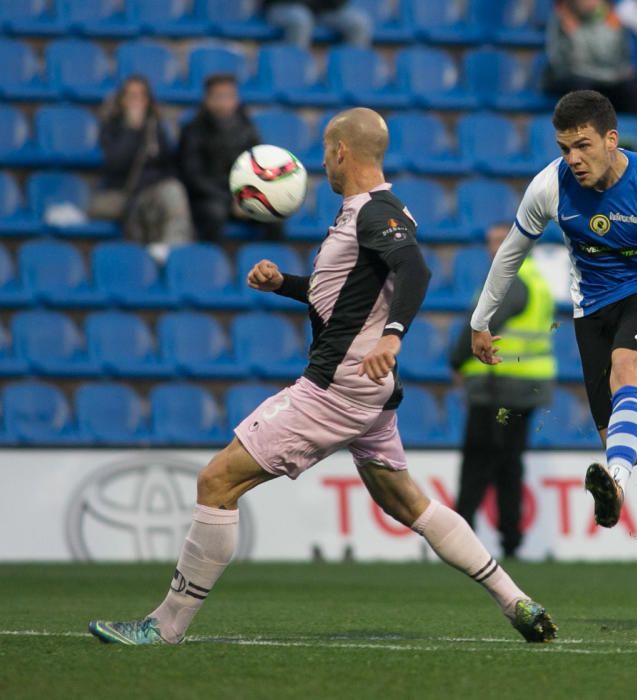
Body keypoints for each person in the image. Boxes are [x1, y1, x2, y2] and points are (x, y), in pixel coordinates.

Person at [88, 108, 557, 646]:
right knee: (408, 503)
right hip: (369, 393)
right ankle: (515, 599)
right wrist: (284, 284)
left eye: (326, 150)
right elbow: (346, 292)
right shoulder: (366, 212)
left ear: (341, 152)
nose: (323, 161)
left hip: (337, 388)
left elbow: (415, 269)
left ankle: (163, 627)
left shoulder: (374, 213)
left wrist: (394, 334)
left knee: (217, 482)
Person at [469, 90, 637, 529]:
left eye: (583, 146)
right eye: (564, 148)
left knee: (625, 369)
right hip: (591, 308)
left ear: (611, 139)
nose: (573, 159)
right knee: (622, 438)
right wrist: (479, 322)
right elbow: (510, 254)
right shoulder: (548, 187)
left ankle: (615, 486)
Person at [450, 223, 555, 559]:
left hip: (499, 387)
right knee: (509, 464)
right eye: (491, 242)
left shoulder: (508, 280)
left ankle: (458, 536)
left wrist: (456, 362)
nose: (494, 249)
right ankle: (511, 540)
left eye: (501, 241)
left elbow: (478, 325)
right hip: (526, 387)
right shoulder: (534, 277)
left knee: (478, 462)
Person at [94, 76, 192, 261]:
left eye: (141, 96)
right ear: (122, 99)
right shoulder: (112, 128)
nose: (136, 102)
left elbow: (167, 164)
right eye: (131, 96)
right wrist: (132, 130)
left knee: (173, 192)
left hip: (152, 188)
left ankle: (173, 249)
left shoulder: (156, 128)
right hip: (122, 191)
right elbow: (116, 164)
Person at [179, 74, 262, 242]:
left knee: (274, 214)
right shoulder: (193, 131)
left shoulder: (248, 129)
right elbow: (193, 176)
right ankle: (212, 263)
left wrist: (245, 197)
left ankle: (270, 263)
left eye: (229, 96)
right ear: (207, 100)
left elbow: (259, 166)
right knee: (214, 214)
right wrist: (230, 198)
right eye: (219, 97)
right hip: (209, 197)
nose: (224, 102)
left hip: (242, 195)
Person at [542, 0, 637, 116]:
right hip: (571, 75)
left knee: (634, 87)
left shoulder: (611, 19)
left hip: (604, 75)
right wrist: (574, 35)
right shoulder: (562, 18)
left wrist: (615, 74)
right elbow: (562, 61)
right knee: (583, 88)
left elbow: (614, 56)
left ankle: (632, 131)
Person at [264, 0, 372, 48]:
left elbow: (339, 4)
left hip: (322, 10)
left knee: (358, 23)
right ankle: (292, 73)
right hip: (284, 6)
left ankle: (349, 78)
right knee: (301, 19)